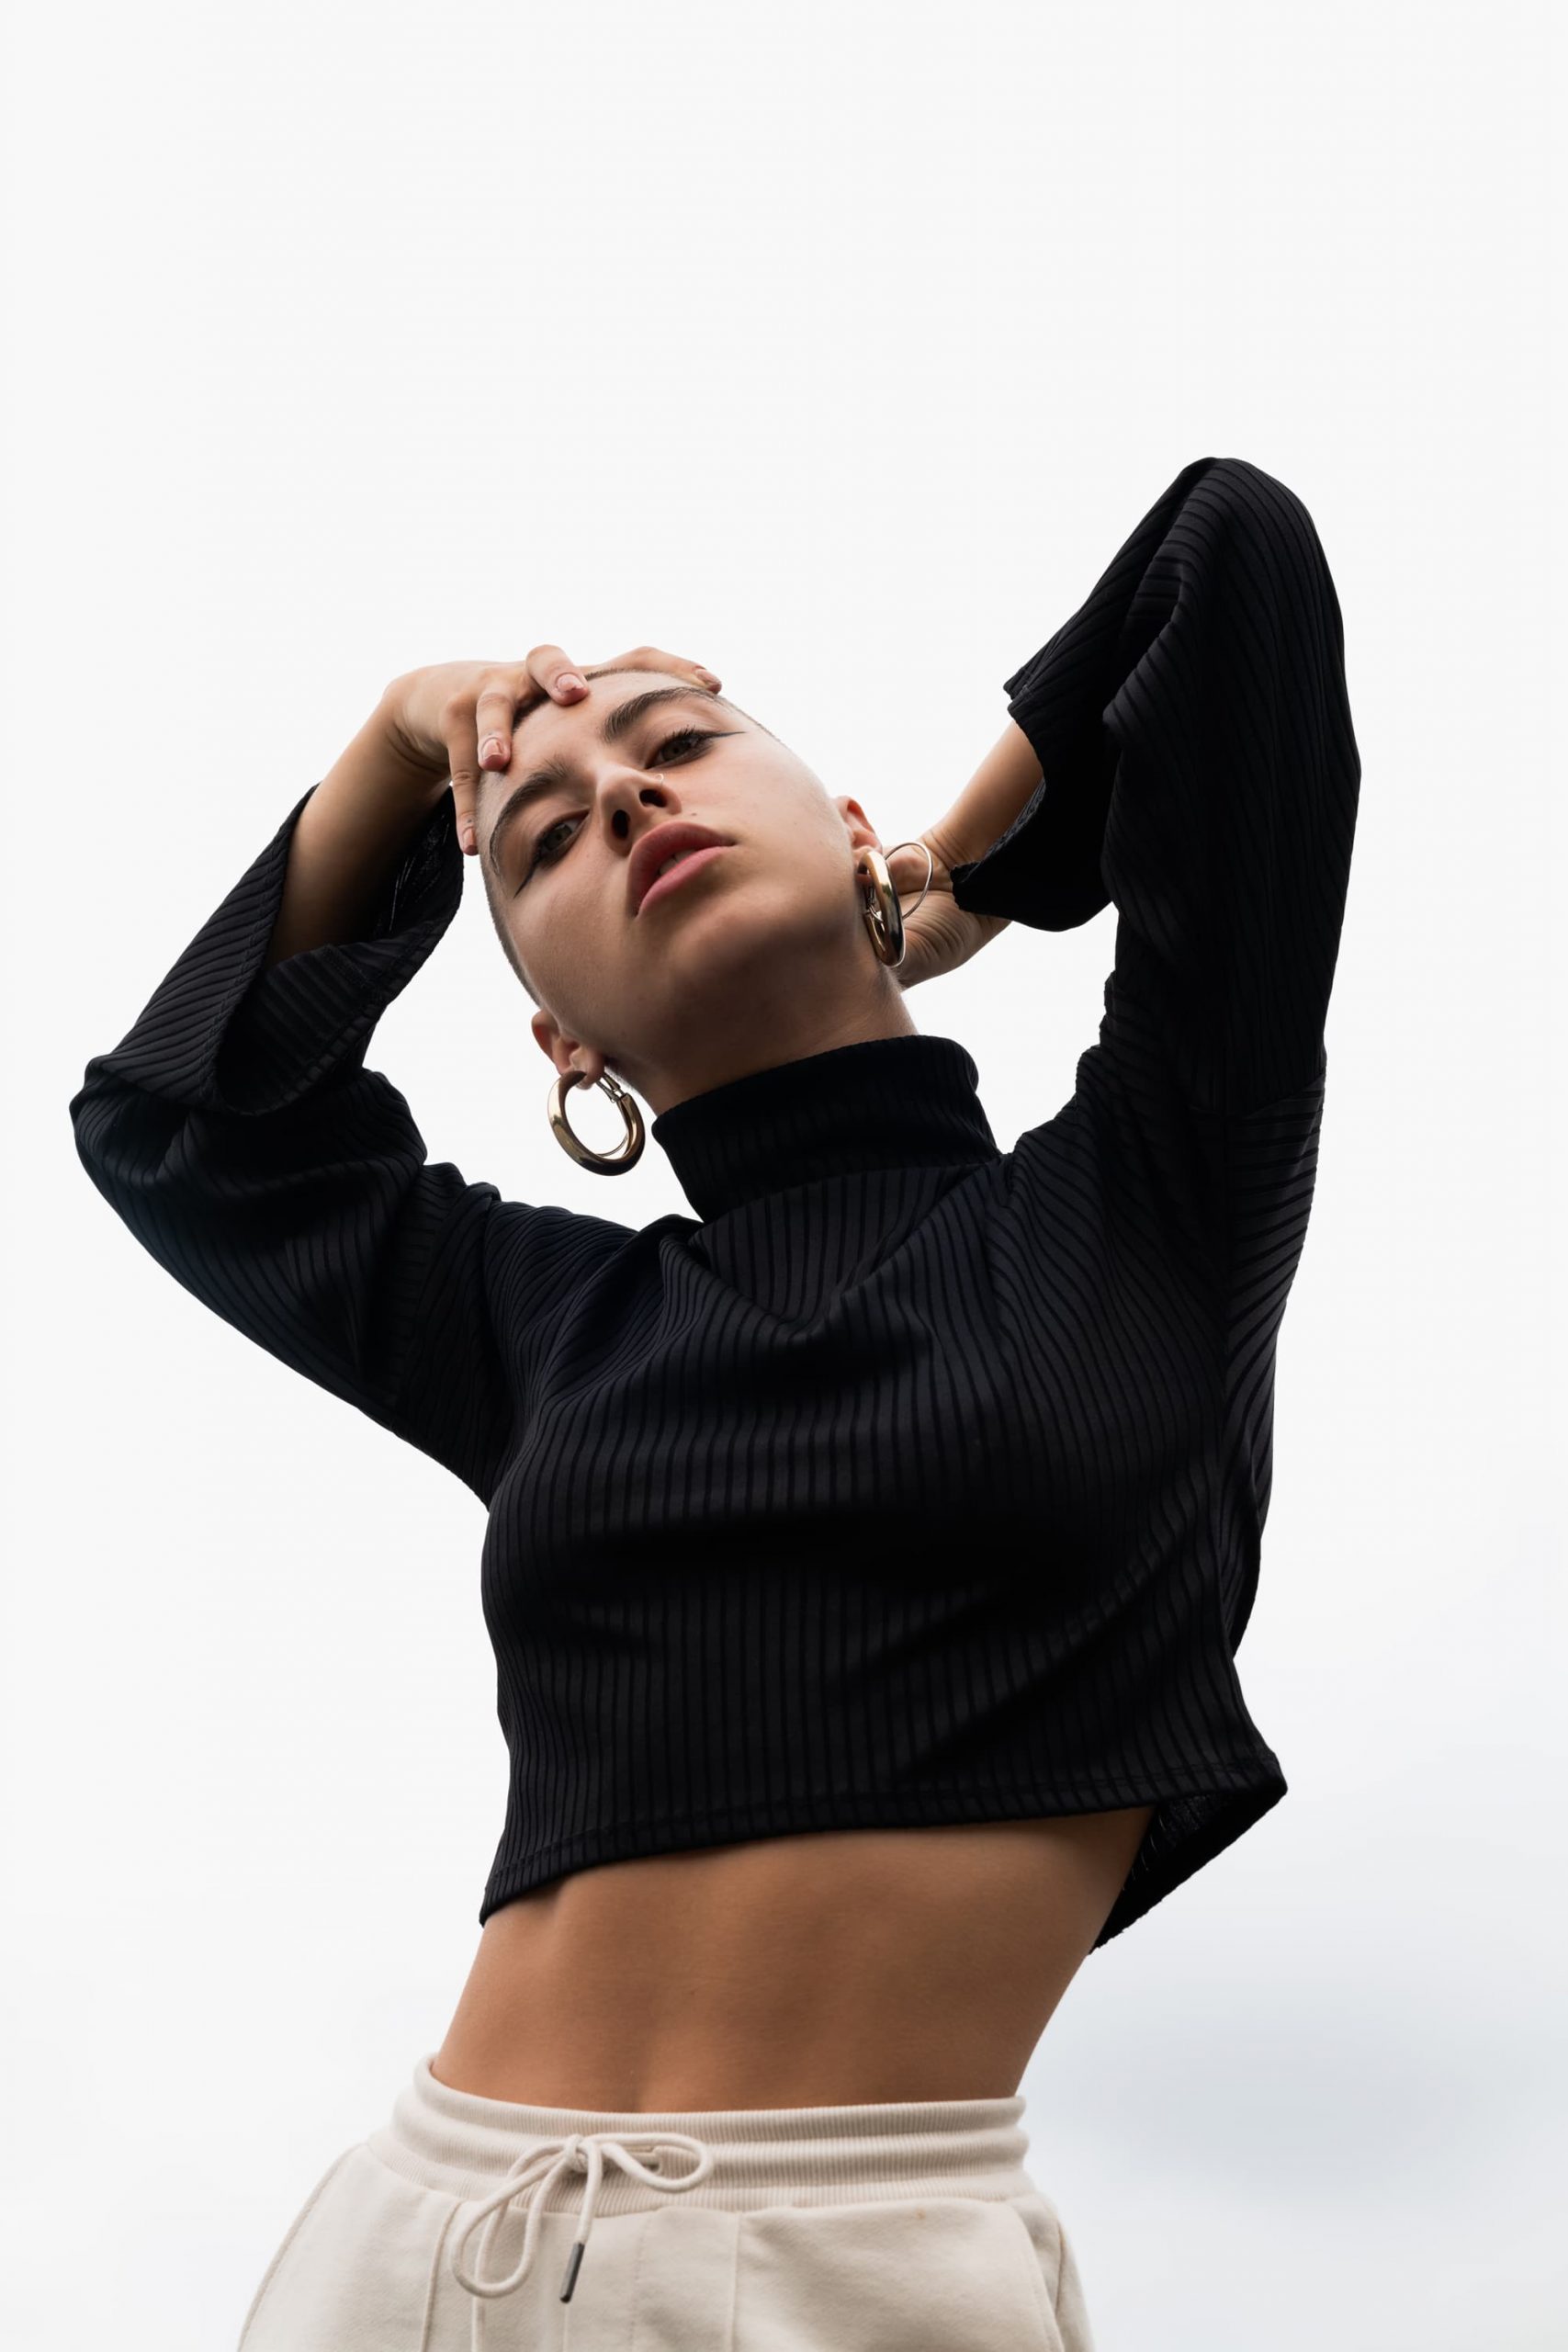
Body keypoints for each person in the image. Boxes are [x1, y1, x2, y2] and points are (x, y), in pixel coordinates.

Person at [68, 452, 1361, 2352]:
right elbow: (177, 1130)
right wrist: (407, 734)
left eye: (676, 745)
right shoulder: (549, 1324)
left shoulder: (1152, 1199)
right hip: (420, 2248)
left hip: (859, 2264)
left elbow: (1224, 558)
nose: (622, 797)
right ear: (563, 1043)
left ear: (848, 830)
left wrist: (958, 874)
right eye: (542, 842)